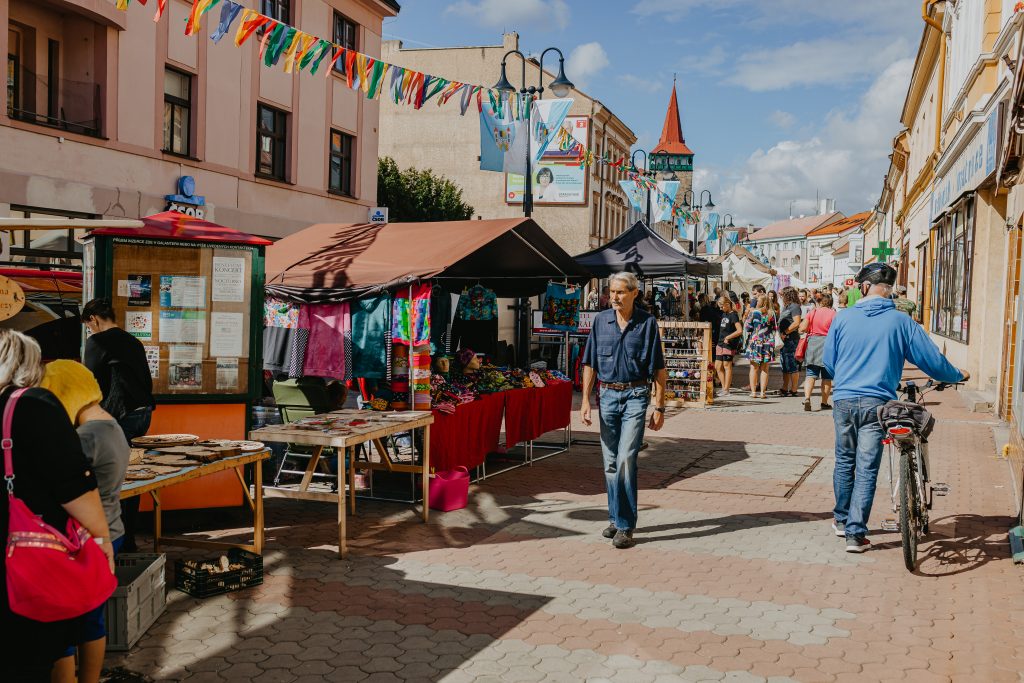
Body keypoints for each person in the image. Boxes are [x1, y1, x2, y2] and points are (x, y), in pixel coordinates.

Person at [824, 263, 968, 553]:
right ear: (888, 290)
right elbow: (931, 360)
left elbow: (829, 361)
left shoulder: (843, 318)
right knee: (866, 467)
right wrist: (956, 375)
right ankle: (855, 534)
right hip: (878, 402)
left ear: (864, 287)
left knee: (844, 460)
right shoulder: (901, 322)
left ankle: (841, 520)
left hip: (844, 399)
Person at [0, 330, 114, 681]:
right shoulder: (32, 404)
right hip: (23, 561)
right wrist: (102, 539)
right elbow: (73, 484)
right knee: (29, 661)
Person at [42, 361, 130, 683]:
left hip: (85, 539)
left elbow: (56, 484)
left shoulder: (85, 436)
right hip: (111, 530)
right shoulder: (110, 424)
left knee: (62, 627)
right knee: (91, 620)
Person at [580, 271, 667, 550]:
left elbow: (659, 369)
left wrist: (660, 406)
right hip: (606, 395)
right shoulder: (600, 321)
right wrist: (584, 400)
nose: (614, 297)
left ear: (634, 293)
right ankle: (615, 518)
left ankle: (626, 526)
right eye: (612, 292)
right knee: (610, 462)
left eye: (620, 292)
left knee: (627, 457)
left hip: (636, 395)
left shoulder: (647, 323)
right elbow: (590, 363)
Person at [81, 298, 155, 553]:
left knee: (114, 476)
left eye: (88, 326)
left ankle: (118, 539)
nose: (89, 331)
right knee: (133, 472)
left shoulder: (97, 341)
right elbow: (146, 378)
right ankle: (130, 535)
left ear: (93, 319)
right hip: (143, 412)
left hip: (119, 415)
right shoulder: (132, 341)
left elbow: (87, 382)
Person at [799, 293, 837, 412]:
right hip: (828, 344)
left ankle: (807, 398)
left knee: (810, 374)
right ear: (830, 303)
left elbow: (802, 328)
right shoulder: (834, 314)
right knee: (827, 377)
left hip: (813, 343)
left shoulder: (813, 312)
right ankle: (824, 403)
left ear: (821, 302)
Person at [744, 294, 778, 399]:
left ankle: (754, 392)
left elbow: (747, 328)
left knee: (753, 368)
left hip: (756, 342)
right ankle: (763, 393)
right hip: (768, 342)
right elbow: (775, 328)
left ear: (760, 302)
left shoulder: (754, 313)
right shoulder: (772, 314)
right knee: (765, 368)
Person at [778, 287, 803, 397]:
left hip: (791, 340)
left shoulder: (795, 306)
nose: (781, 297)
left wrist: (786, 332)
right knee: (785, 365)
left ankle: (794, 389)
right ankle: (785, 387)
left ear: (788, 295)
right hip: (785, 340)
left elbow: (797, 322)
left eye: (782, 295)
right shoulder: (786, 306)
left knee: (792, 365)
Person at [714, 297, 743, 396]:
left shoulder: (733, 315)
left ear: (727, 304)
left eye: (722, 306)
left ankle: (726, 389)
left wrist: (728, 337)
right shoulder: (724, 314)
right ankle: (724, 388)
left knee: (727, 366)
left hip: (728, 344)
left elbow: (739, 330)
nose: (721, 309)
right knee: (717, 366)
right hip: (720, 343)